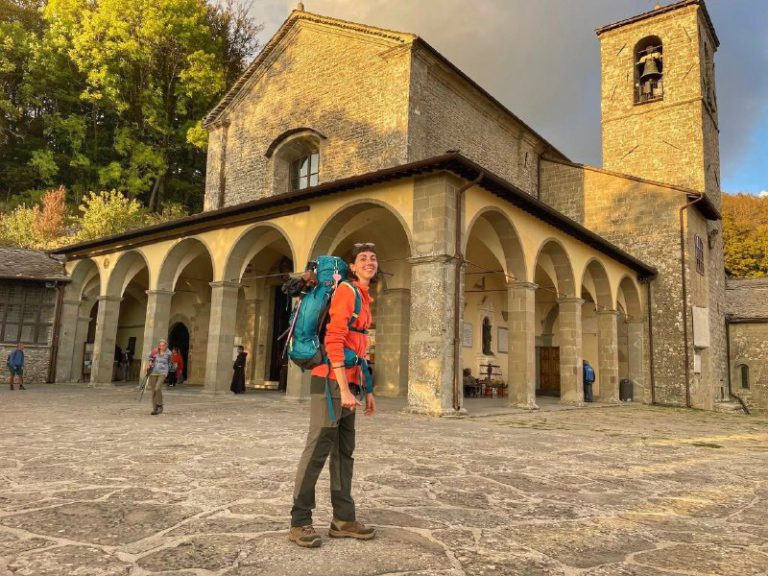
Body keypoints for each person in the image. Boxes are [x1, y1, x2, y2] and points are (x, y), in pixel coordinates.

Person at [289, 243, 378, 548]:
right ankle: (299, 521)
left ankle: (343, 519)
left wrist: (366, 390)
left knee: (344, 454)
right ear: (352, 268)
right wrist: (342, 388)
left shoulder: (365, 298)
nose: (369, 261)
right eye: (363, 259)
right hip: (329, 383)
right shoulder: (347, 292)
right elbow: (335, 339)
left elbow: (360, 349)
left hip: (348, 386)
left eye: (373, 258)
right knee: (317, 451)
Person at [145, 339, 172, 415]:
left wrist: (167, 372)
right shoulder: (155, 351)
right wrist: (150, 363)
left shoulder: (169, 353)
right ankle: (155, 409)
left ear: (166, 345)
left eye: (163, 345)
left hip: (162, 373)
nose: (161, 347)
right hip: (153, 372)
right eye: (160, 345)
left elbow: (169, 363)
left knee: (157, 388)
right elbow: (150, 358)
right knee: (153, 391)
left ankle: (160, 405)